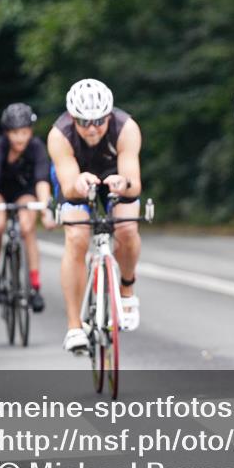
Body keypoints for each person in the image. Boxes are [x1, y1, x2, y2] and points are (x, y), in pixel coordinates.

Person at [48, 79, 143, 354]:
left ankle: (126, 291)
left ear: (109, 115)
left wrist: (122, 183)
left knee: (126, 229)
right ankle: (74, 326)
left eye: (99, 121)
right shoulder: (59, 134)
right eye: (84, 122)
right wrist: (78, 183)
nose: (92, 129)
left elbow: (134, 183)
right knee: (77, 238)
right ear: (72, 118)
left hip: (115, 175)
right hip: (78, 179)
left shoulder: (126, 128)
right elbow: (67, 184)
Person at [0, 103, 56, 311]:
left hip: (25, 192)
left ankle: (35, 287)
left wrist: (46, 211)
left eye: (24, 132)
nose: (19, 138)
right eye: (14, 133)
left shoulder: (37, 148)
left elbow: (42, 181)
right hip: (0, 191)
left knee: (27, 227)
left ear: (30, 131)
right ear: (7, 133)